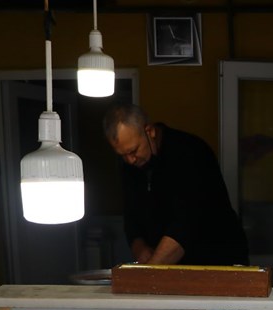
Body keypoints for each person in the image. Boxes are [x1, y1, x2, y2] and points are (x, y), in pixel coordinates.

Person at [103, 103, 249, 265]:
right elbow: (131, 218)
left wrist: (149, 272)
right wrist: (140, 249)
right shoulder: (130, 166)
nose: (130, 160)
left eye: (133, 151)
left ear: (149, 131)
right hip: (168, 265)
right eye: (123, 155)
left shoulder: (189, 152)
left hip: (217, 260)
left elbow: (185, 224)